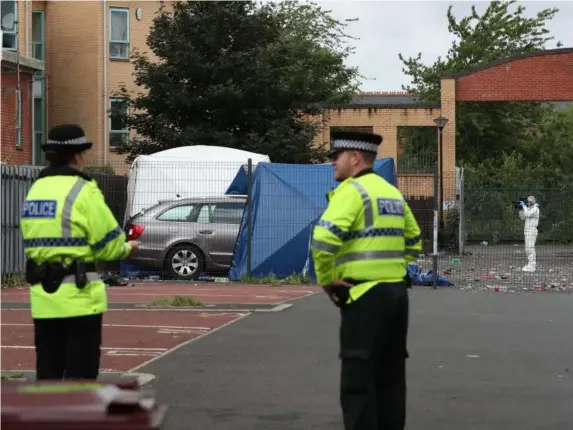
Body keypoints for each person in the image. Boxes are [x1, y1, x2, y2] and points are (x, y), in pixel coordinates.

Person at [310, 131, 422, 430]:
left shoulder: (352, 191)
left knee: (358, 383)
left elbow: (322, 240)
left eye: (337, 156)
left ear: (355, 159)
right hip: (397, 297)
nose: (333, 162)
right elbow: (414, 240)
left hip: (363, 298)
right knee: (391, 381)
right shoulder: (391, 193)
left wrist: (328, 279)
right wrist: (391, 270)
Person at [20, 124, 140, 380]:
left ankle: (48, 420)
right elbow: (108, 245)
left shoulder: (35, 191)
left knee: (48, 375)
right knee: (80, 379)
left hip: (43, 298)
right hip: (79, 298)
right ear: (77, 156)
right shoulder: (84, 191)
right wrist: (127, 247)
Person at [518, 196, 540, 272]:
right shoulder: (529, 209)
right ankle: (530, 264)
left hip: (532, 230)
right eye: (527, 201)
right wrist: (521, 210)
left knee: (530, 248)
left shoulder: (535, 208)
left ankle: (532, 266)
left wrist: (524, 206)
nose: (528, 202)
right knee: (527, 249)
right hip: (527, 230)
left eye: (529, 201)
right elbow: (523, 217)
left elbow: (528, 214)